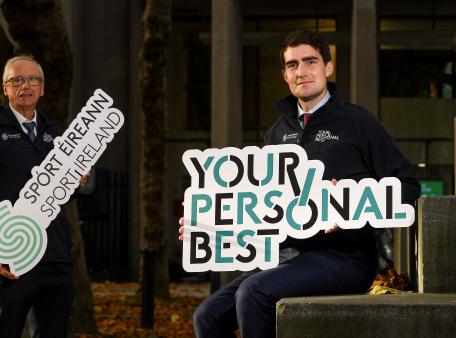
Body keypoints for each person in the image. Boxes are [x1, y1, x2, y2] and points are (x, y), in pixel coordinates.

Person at [178, 30, 420, 337]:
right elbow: (262, 206)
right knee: (207, 316)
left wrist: (348, 206)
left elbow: (408, 185)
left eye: (310, 61)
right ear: (284, 74)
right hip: (282, 256)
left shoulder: (358, 123)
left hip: (344, 258)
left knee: (253, 293)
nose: (301, 71)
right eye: (292, 65)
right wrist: (210, 225)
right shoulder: (277, 134)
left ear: (328, 67)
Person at [0, 55, 89, 338]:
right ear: (5, 88)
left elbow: (60, 196)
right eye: (17, 80)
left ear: (42, 88)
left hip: (54, 256)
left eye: (33, 79)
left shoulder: (55, 134)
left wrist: (75, 182)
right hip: (9, 261)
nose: (26, 85)